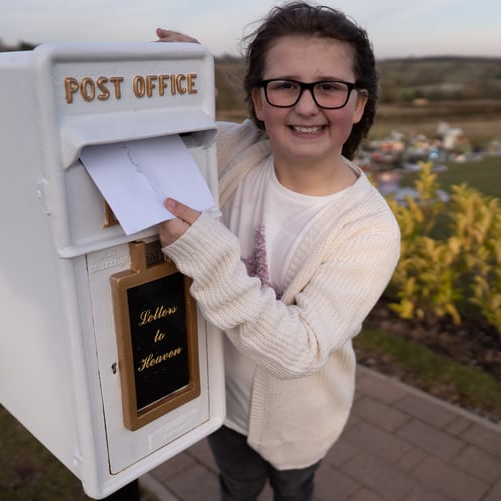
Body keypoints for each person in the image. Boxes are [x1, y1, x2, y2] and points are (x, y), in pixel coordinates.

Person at [156, 2, 400, 499]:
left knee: (294, 489)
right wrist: (184, 81)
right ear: (258, 100)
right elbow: (174, 136)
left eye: (329, 87)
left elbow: (301, 350)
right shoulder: (232, 152)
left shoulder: (369, 229)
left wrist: (207, 255)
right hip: (219, 403)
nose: (306, 106)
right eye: (285, 85)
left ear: (357, 105)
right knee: (236, 487)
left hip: (300, 425)